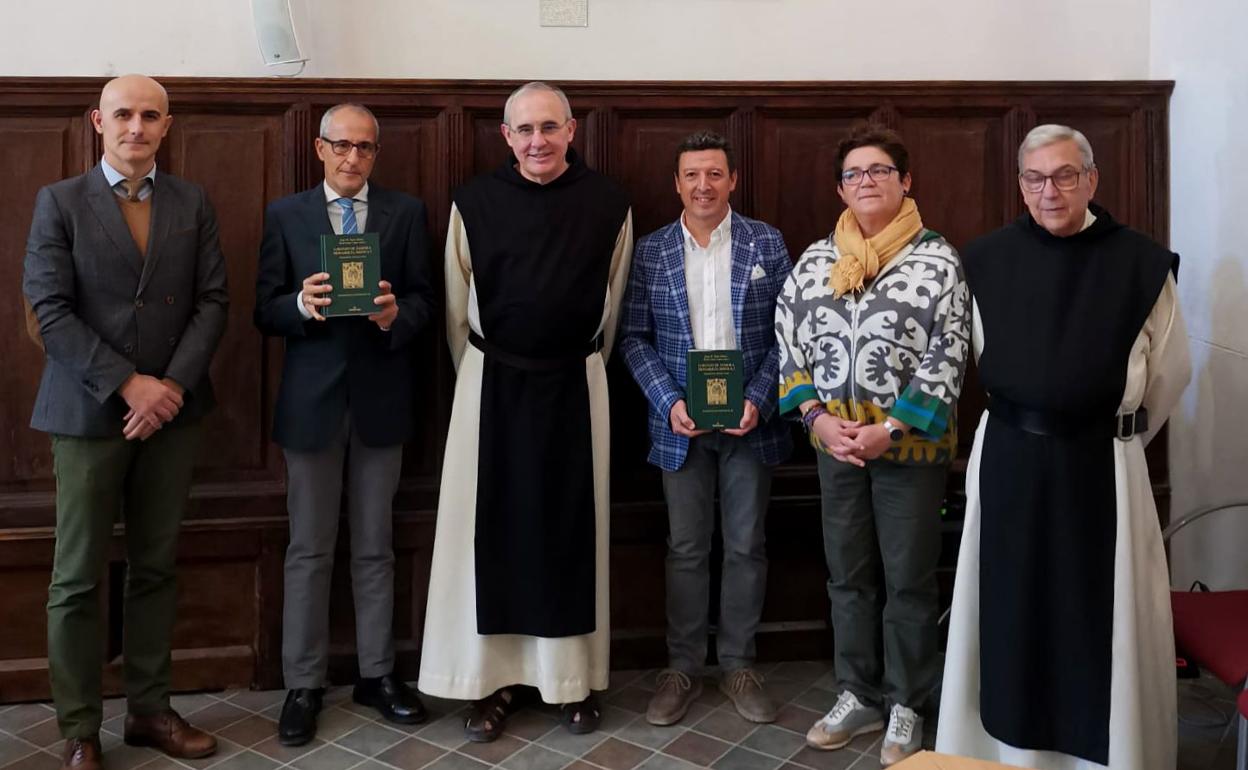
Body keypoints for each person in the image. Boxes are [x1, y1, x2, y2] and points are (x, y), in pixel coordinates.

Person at [936, 125, 1192, 770]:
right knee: (1008, 611)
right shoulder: (987, 259)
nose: (1050, 191)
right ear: (1020, 184)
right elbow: (977, 357)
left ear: (1092, 179)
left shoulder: (1142, 264)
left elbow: (1167, 376)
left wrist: (1111, 435)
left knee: (1097, 623)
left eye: (1065, 175)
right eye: (1035, 178)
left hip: (1104, 464)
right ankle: (1001, 755)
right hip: (1011, 459)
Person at [22, 74, 228, 770]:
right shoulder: (60, 202)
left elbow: (212, 302)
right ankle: (80, 728)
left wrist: (168, 387)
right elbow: (48, 309)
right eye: (123, 114)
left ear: (166, 126)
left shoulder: (191, 202)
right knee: (76, 576)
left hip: (173, 414)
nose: (135, 126)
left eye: (149, 115)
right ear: (96, 121)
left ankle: (150, 712)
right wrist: (128, 385)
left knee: (155, 567)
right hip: (86, 413)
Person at [417, 81, 633, 742]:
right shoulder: (473, 203)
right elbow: (456, 310)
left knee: (570, 531)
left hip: (575, 382)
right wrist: (483, 373)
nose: (537, 140)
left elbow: (613, 304)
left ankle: (569, 679)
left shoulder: (609, 204)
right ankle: (491, 682)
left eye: (549, 127)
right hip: (491, 387)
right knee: (489, 534)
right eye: (524, 130)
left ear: (572, 130)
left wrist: (582, 364)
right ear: (506, 137)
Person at [774, 124, 970, 766]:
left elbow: (951, 353)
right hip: (836, 447)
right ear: (840, 187)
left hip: (907, 451)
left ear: (905, 180)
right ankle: (856, 692)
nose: (866, 182)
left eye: (879, 171)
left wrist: (891, 429)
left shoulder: (938, 260)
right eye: (854, 174)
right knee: (848, 576)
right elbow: (787, 340)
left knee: (909, 578)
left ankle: (907, 702)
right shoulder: (814, 261)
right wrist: (815, 418)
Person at [254, 102, 435, 746]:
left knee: (375, 546)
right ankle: (303, 683)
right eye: (343, 146)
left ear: (375, 154)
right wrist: (300, 304)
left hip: (382, 399)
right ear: (319, 149)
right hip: (311, 405)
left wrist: (394, 318)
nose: (354, 158)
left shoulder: (406, 213)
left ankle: (377, 673)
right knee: (308, 547)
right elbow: (264, 309)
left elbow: (424, 301)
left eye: (365, 147)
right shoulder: (285, 214)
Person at [618, 130, 793, 726]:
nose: (703, 185)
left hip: (751, 424)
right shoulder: (651, 251)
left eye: (714, 174)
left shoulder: (767, 242)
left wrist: (760, 399)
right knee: (686, 548)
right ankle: (683, 667)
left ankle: (740, 664)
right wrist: (669, 401)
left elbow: (789, 338)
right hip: (681, 427)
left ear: (733, 180)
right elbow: (633, 339)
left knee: (746, 546)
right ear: (676, 182)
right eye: (692, 174)